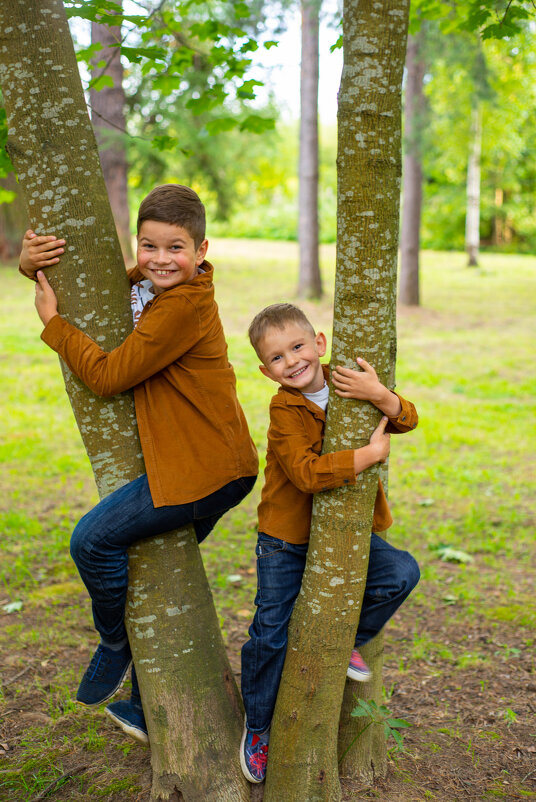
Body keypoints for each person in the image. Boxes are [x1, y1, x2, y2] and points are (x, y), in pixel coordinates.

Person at [19, 184, 258, 745]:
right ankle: (148, 709)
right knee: (157, 578)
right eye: (147, 246)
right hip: (206, 462)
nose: (156, 259)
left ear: (202, 250)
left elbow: (106, 377)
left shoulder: (182, 305)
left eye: (174, 248)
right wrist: (33, 266)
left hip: (209, 469)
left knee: (92, 541)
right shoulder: (163, 285)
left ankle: (114, 644)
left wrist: (53, 322)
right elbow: (115, 284)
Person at [239, 303, 419, 783]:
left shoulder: (347, 384)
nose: (291, 361)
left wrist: (380, 394)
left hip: (349, 530)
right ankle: (257, 726)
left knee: (402, 573)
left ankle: (345, 643)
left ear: (319, 343)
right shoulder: (284, 408)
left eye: (298, 347)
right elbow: (303, 473)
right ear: (265, 371)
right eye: (277, 358)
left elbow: (407, 419)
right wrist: (367, 455)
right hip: (286, 536)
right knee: (271, 628)